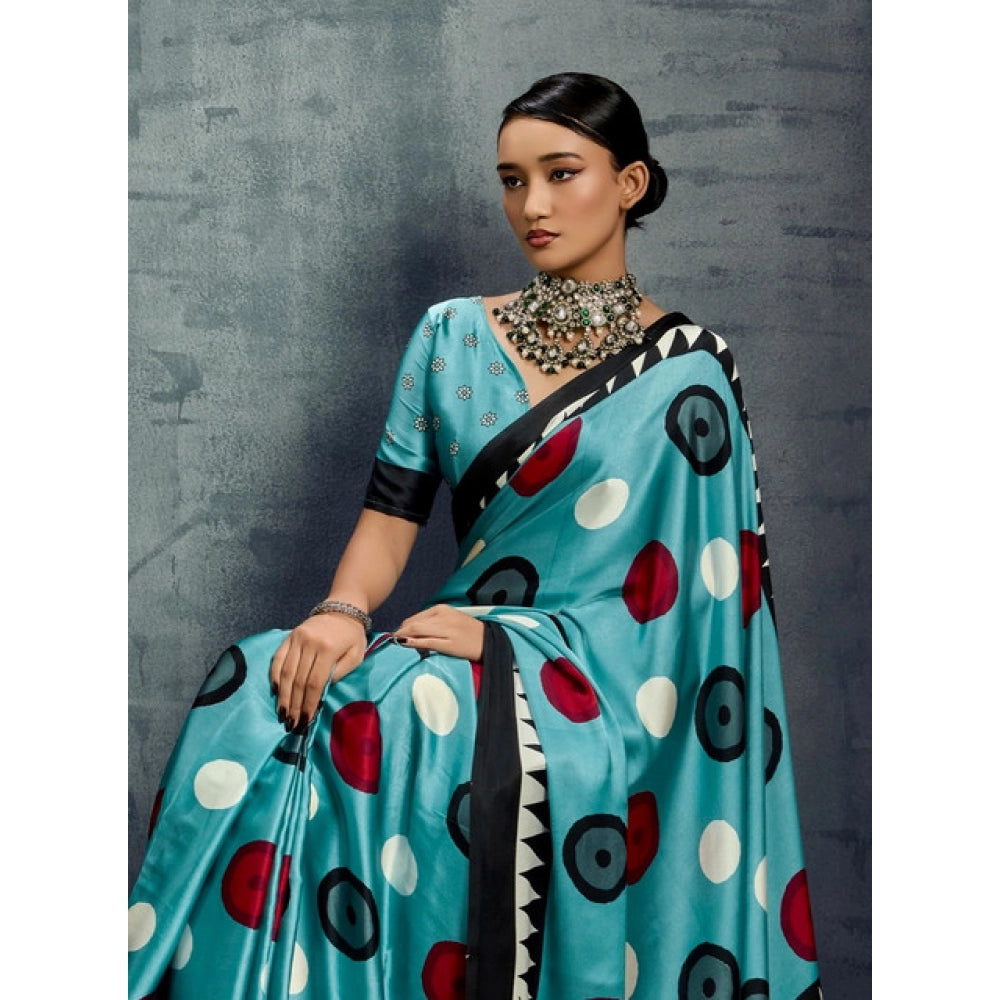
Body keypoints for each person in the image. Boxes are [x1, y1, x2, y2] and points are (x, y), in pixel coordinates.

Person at [128, 72, 823, 1000]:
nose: (532, 206)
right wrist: (340, 611)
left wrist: (507, 647)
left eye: (561, 173)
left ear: (630, 184)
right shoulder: (451, 337)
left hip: (589, 693)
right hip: (448, 642)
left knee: (411, 717)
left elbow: (696, 630)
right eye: (511, 180)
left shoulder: (687, 376)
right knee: (261, 684)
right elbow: (389, 521)